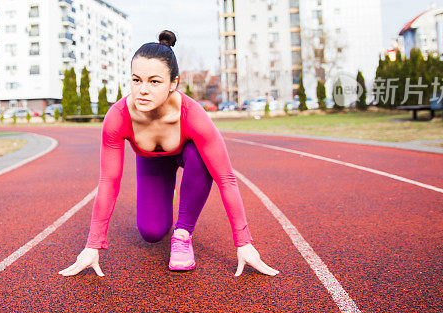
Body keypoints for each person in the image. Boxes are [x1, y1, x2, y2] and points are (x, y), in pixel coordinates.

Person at [59, 30, 278, 277]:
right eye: (136, 80)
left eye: (154, 81)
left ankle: (183, 233)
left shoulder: (193, 115)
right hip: (152, 164)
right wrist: (92, 245)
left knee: (201, 156)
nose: (142, 90)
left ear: (173, 83)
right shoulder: (118, 117)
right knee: (152, 233)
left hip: (189, 157)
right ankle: (165, 198)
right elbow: (109, 181)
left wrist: (243, 242)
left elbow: (226, 178)